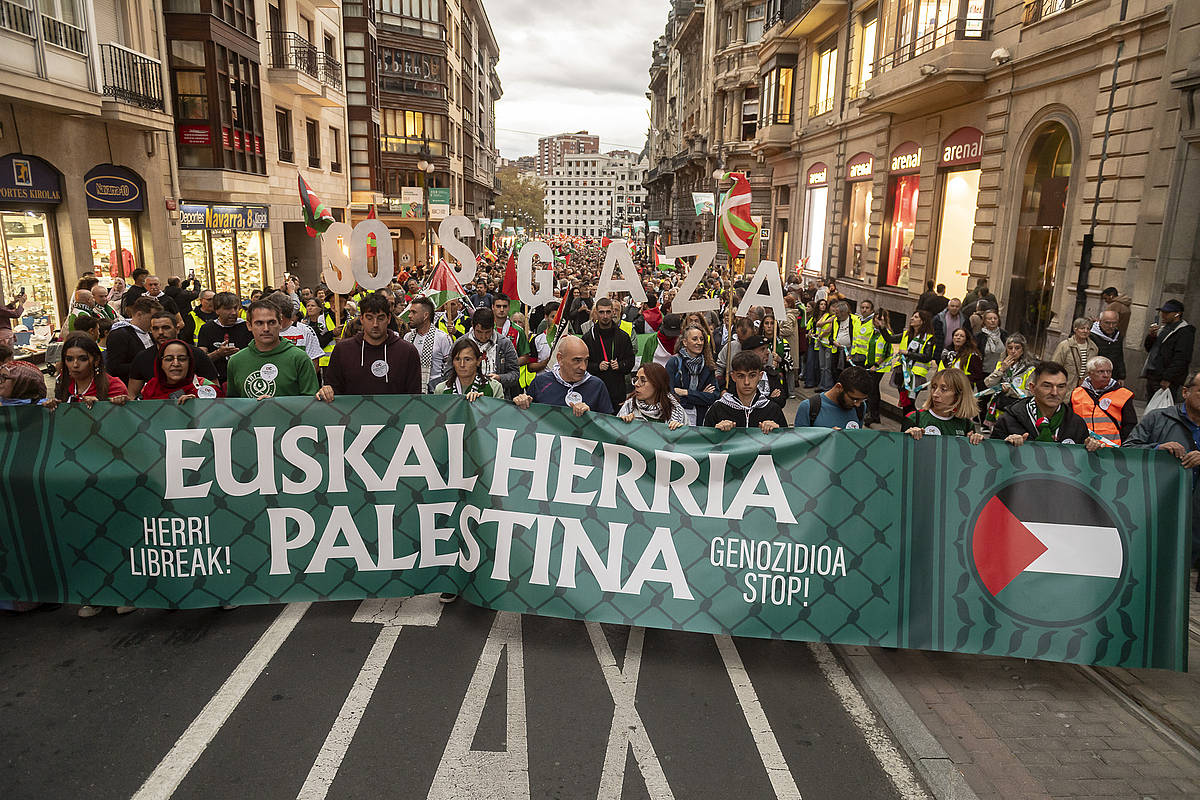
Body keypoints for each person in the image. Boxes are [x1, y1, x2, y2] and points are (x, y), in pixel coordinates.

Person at [1124, 370, 1200, 587]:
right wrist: (1157, 448)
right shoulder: (1158, 418)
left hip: (1194, 522)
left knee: (1178, 583)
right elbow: (1128, 450)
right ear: (1185, 392)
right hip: (1155, 515)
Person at [317, 293, 421, 399]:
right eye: (369, 318)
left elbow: (414, 397)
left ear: (388, 318)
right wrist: (326, 392)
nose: (375, 324)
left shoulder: (407, 351)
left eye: (380, 318)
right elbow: (333, 390)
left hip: (396, 415)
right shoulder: (342, 350)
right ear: (361, 319)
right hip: (353, 415)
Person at [991, 362, 1101, 449]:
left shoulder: (1076, 424)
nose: (1054, 392)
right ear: (1032, 388)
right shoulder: (1009, 420)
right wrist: (1006, 445)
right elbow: (993, 456)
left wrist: (1090, 447)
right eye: (1047, 386)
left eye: (1061, 386)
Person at [226, 300, 320, 399]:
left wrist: (276, 405)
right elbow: (233, 404)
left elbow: (310, 403)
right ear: (249, 326)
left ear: (280, 323)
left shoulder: (300, 358)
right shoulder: (236, 361)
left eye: (271, 322)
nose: (266, 328)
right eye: (259, 323)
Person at [127, 311, 219, 399]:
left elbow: (214, 391)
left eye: (166, 327)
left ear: (177, 329)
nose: (160, 332)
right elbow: (132, 395)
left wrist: (196, 399)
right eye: (155, 328)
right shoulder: (142, 358)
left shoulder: (197, 354)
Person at [514, 335, 613, 416]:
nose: (583, 367)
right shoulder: (540, 383)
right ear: (560, 359)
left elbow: (608, 428)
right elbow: (526, 420)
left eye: (586, 360)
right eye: (577, 360)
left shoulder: (597, 386)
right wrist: (521, 404)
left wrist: (590, 416)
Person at [704, 350, 788, 432]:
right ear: (733, 377)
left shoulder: (772, 409)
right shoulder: (718, 408)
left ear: (760, 376)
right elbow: (705, 441)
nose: (746, 382)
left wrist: (778, 430)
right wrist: (716, 431)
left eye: (752, 375)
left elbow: (786, 442)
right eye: (741, 376)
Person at [903, 368, 984, 443]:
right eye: (934, 387)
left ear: (958, 394)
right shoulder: (914, 418)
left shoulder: (966, 424)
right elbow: (899, 452)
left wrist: (976, 441)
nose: (935, 394)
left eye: (944, 389)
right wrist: (907, 436)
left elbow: (967, 456)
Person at [1071, 356, 1137, 446]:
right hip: (1082, 445)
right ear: (1090, 374)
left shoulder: (1124, 395)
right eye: (1101, 371)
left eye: (1109, 371)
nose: (1106, 375)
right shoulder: (1077, 393)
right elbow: (1070, 420)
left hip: (1111, 449)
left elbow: (1130, 425)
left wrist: (1122, 445)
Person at [583, 296, 635, 410]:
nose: (605, 316)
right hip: (594, 390)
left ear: (613, 312)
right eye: (601, 312)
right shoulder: (588, 338)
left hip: (617, 390)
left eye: (608, 312)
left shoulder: (623, 336)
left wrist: (620, 365)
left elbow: (631, 361)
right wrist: (597, 366)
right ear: (596, 313)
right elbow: (582, 364)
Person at [882, 310, 936, 415]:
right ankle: (907, 427)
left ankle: (911, 425)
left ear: (923, 321)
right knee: (905, 403)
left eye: (916, 317)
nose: (912, 318)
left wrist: (908, 353)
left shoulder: (929, 338)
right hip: (901, 373)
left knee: (910, 404)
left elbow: (927, 357)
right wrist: (882, 327)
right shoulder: (907, 334)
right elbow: (889, 338)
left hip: (915, 376)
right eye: (912, 316)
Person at [138, 339, 225, 403]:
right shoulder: (150, 388)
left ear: (189, 363)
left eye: (182, 359)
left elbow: (221, 414)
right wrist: (127, 405)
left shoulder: (206, 387)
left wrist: (198, 404)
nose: (176, 364)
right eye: (168, 359)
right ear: (161, 364)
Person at [1142, 299, 1195, 403]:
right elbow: (1149, 348)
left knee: (1162, 407)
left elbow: (1181, 358)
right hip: (1153, 373)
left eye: (1167, 313)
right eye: (1163, 312)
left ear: (1177, 314)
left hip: (1165, 377)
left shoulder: (1184, 332)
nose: (1163, 315)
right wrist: (1151, 336)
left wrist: (1168, 378)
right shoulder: (1163, 328)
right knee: (1150, 405)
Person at [196, 291, 254, 385]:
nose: (233, 313)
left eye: (235, 308)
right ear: (217, 310)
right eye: (228, 309)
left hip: (244, 379)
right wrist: (218, 354)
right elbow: (201, 360)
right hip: (218, 381)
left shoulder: (247, 327)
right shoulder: (207, 329)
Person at [666, 324, 718, 426]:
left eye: (702, 339)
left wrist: (686, 393)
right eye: (695, 339)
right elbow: (670, 395)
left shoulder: (708, 365)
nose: (699, 343)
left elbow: (713, 397)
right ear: (685, 342)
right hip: (676, 419)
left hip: (700, 419)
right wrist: (700, 396)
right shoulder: (674, 362)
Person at [462, 307, 520, 397]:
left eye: (487, 332)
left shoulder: (505, 344)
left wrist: (500, 378)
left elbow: (515, 374)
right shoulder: (461, 344)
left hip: (498, 398)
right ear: (472, 325)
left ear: (493, 326)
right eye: (479, 332)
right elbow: (449, 373)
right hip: (466, 396)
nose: (483, 336)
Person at [795, 366, 872, 429]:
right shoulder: (809, 408)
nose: (858, 404)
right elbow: (800, 445)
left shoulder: (861, 407)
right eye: (854, 399)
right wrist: (827, 438)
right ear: (839, 387)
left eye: (863, 399)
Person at [404, 297, 453, 393]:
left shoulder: (442, 338)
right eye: (410, 312)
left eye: (414, 312)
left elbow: (450, 367)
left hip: (434, 391)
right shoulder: (407, 337)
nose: (409, 316)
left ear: (425, 315)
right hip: (411, 389)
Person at [105, 296, 161, 382]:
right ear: (139, 315)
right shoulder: (119, 335)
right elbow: (114, 368)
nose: (155, 322)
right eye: (152, 318)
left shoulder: (150, 333)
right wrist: (146, 365)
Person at [982, 332, 1037, 417]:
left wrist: (1010, 391)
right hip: (999, 409)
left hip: (1018, 409)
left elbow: (1030, 393)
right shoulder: (1001, 364)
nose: (1013, 351)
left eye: (1017, 348)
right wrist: (1001, 370)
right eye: (1010, 348)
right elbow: (988, 383)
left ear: (1023, 350)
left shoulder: (1030, 369)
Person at [617, 362, 687, 429]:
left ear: (657, 384)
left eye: (643, 380)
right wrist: (623, 425)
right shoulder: (629, 407)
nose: (636, 384)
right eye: (636, 379)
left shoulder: (677, 411)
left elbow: (686, 438)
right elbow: (616, 435)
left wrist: (679, 430)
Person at [431, 337, 505, 400]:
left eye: (467, 359)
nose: (462, 364)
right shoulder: (441, 389)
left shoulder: (494, 387)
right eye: (457, 359)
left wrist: (483, 403)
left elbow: (499, 415)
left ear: (478, 361)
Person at [743, 334, 786, 406]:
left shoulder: (772, 375)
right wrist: (770, 398)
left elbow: (781, 401)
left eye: (767, 348)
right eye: (762, 349)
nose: (767, 352)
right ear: (750, 352)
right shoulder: (741, 376)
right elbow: (747, 401)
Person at [938, 326, 985, 391]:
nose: (958, 337)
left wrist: (960, 379)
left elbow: (977, 375)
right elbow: (940, 370)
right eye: (956, 335)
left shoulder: (973, 355)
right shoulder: (946, 353)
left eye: (962, 336)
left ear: (966, 339)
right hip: (945, 386)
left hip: (963, 388)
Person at [1090, 309, 1126, 383]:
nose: (1111, 326)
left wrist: (1121, 376)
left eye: (1114, 323)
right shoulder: (1091, 335)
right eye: (1107, 323)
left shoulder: (1118, 336)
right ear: (1099, 321)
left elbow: (1119, 356)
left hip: (1112, 376)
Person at [975, 310, 1009, 375]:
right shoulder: (979, 337)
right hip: (982, 373)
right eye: (990, 319)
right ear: (984, 321)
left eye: (995, 318)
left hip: (1001, 372)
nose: (993, 321)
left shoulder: (1004, 334)